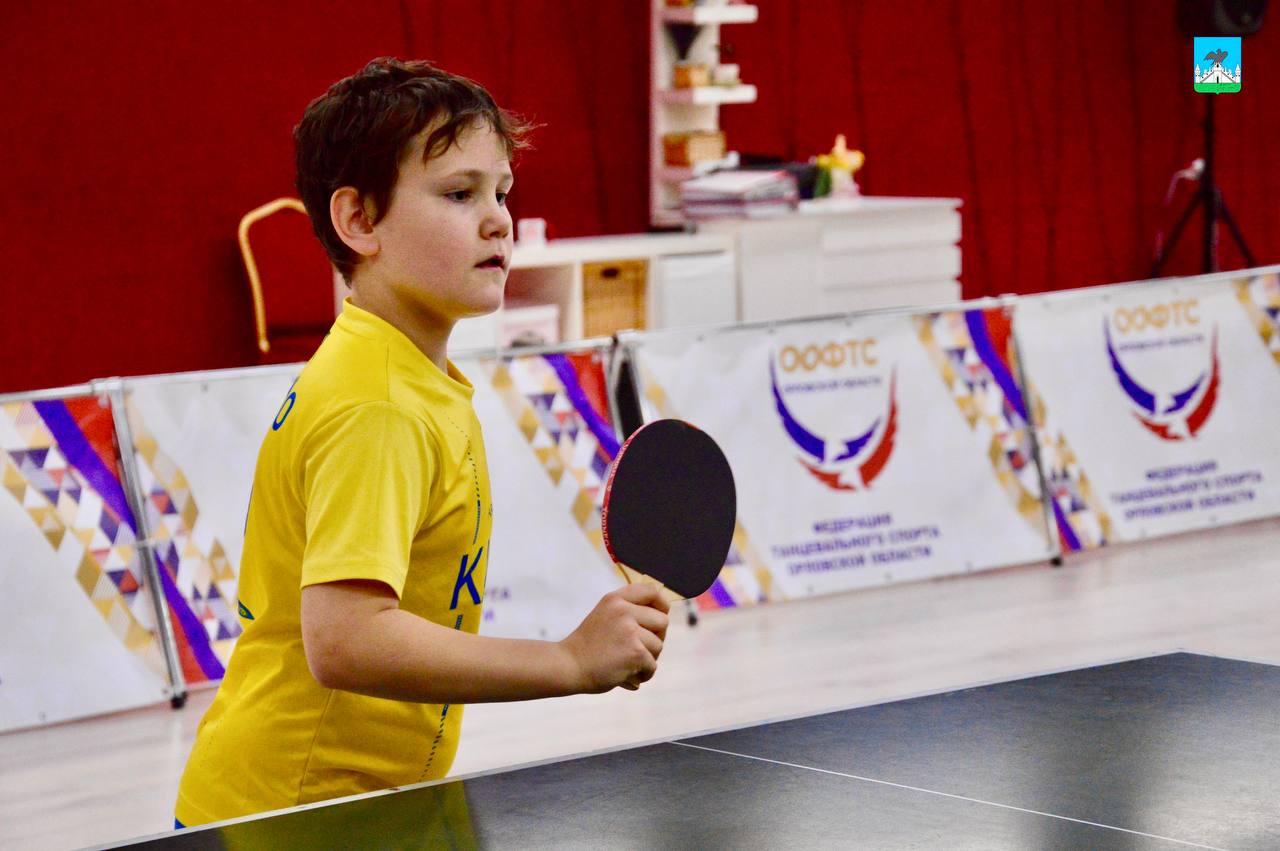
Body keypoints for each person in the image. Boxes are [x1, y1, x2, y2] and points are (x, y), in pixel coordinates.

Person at [174, 58, 669, 828]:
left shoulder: (406, 375)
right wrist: (567, 661)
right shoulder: (377, 403)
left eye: (501, 191)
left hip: (377, 801)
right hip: (298, 813)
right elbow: (345, 638)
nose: (499, 218)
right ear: (358, 222)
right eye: (459, 193)